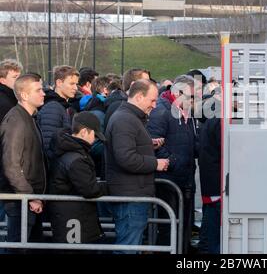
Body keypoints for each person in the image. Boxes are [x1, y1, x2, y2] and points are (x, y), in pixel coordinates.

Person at [105, 79, 168, 254]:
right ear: (139, 97)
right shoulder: (125, 119)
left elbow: (129, 149)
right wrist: (156, 163)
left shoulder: (129, 117)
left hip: (132, 193)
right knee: (128, 248)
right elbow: (126, 158)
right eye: (152, 100)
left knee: (130, 245)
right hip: (130, 195)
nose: (155, 105)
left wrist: (148, 144)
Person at [147, 74, 197, 253]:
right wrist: (173, 161)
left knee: (182, 225)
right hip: (168, 180)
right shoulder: (161, 111)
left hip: (185, 178)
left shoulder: (186, 113)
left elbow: (190, 141)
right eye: (191, 96)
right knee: (169, 227)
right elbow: (153, 143)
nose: (194, 100)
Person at [0, 73, 47, 248]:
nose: (43, 93)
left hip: (30, 200)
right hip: (22, 202)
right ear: (24, 95)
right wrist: (30, 196)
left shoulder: (29, 118)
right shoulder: (16, 120)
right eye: (39, 89)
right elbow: (11, 165)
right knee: (16, 248)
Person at [47, 112, 108, 246]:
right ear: (84, 132)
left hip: (71, 216)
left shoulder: (69, 150)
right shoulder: (76, 158)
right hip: (74, 218)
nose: (95, 140)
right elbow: (89, 189)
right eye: (95, 135)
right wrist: (110, 186)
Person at [37, 66, 79, 161]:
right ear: (59, 83)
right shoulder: (53, 107)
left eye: (76, 84)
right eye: (72, 84)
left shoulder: (65, 107)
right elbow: (48, 146)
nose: (76, 88)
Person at [198, 86, 221, 254]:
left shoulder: (210, 120)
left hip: (210, 182)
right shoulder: (219, 122)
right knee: (214, 230)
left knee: (209, 227)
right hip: (217, 184)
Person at [0, 60, 23, 223]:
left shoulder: (10, 101)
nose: (19, 81)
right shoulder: (5, 103)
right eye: (15, 77)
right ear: (2, 80)